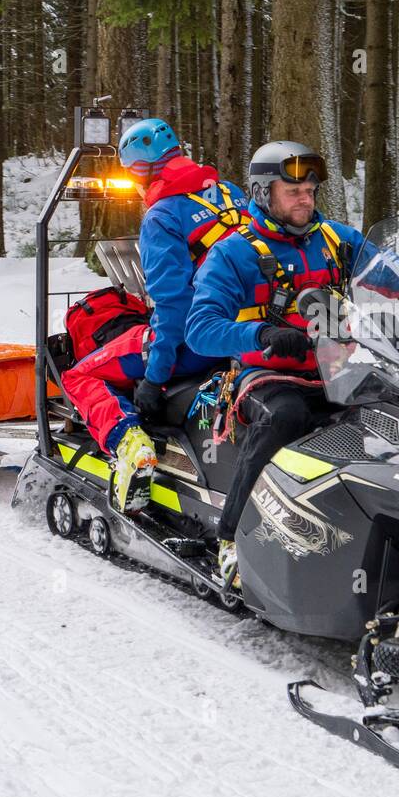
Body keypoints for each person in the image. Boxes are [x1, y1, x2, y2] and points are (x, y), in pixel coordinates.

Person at [186, 140, 399, 589]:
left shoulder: (336, 239)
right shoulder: (232, 253)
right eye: (292, 189)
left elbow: (397, 272)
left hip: (340, 369)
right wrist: (261, 335)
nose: (305, 198)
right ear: (262, 193)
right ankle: (232, 536)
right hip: (269, 374)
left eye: (311, 190)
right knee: (287, 416)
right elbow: (200, 329)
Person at [59, 119, 247, 514]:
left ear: (140, 169)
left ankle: (129, 442)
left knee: (80, 375)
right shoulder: (231, 194)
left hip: (200, 342)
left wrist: (155, 379)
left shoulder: (163, 216)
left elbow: (174, 309)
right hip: (250, 331)